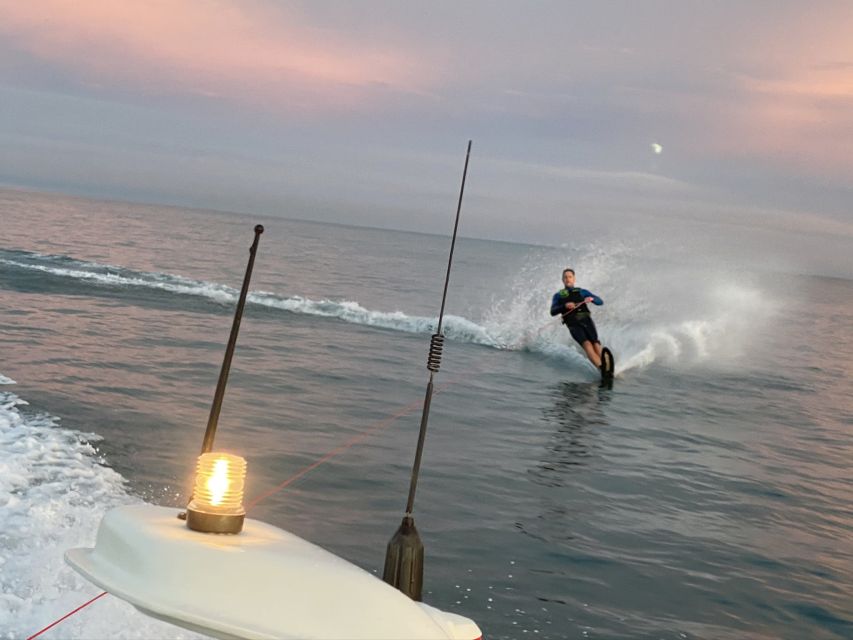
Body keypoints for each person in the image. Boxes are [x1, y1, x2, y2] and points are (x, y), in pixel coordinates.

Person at [550, 268, 604, 369]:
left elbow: (600, 302)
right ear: (562, 280)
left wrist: (592, 299)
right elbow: (552, 311)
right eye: (565, 277)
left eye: (570, 277)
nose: (568, 279)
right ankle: (602, 369)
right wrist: (564, 306)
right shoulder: (558, 296)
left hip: (586, 320)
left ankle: (608, 367)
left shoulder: (582, 292)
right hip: (572, 324)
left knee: (596, 343)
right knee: (587, 345)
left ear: (574, 279)